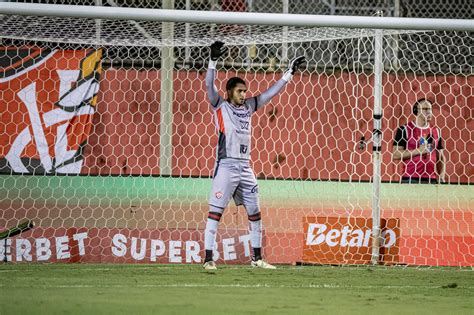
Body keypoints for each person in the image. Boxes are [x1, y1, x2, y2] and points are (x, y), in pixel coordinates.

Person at [202, 41, 305, 270]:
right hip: (226, 166)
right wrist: (213, 60)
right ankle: (208, 258)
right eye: (239, 91)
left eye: (245, 91)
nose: (243, 94)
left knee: (255, 212)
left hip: (246, 167)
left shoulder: (249, 106)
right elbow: (209, 85)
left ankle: (257, 259)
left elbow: (270, 93)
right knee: (215, 212)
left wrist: (288, 74)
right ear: (229, 92)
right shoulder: (220, 105)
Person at [392, 98, 446, 184]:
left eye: (430, 109)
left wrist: (442, 175)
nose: (428, 112)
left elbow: (440, 156)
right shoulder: (404, 129)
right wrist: (418, 151)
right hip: (410, 178)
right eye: (425, 109)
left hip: (431, 179)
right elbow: (395, 154)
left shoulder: (436, 131)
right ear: (416, 111)